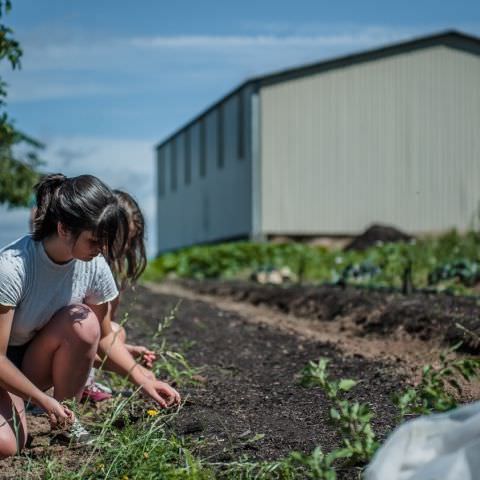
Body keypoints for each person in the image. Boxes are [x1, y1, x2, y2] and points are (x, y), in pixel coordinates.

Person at [0, 174, 180, 459]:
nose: (102, 250)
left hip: (32, 361)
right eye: (94, 241)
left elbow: (106, 336)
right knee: (6, 445)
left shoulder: (93, 264)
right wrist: (42, 399)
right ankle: (35, 405)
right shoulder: (12, 268)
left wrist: (144, 380)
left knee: (85, 323)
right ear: (63, 228)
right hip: (4, 365)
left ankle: (65, 419)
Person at [83, 190, 156, 401]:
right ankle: (78, 387)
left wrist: (126, 352)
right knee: (109, 332)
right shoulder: (86, 265)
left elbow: (104, 337)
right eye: (123, 237)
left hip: (75, 345)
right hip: (56, 347)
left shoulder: (106, 273)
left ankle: (86, 382)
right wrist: (137, 374)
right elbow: (83, 340)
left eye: (131, 239)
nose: (125, 246)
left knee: (117, 332)